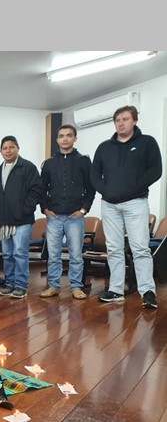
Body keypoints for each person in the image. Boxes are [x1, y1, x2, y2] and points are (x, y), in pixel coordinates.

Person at [91, 105, 162, 309]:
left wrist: (133, 188)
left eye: (125, 119)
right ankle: (116, 290)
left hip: (136, 203)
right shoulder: (104, 147)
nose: (121, 123)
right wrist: (107, 192)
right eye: (117, 120)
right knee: (113, 248)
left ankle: (147, 292)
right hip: (109, 205)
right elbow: (94, 175)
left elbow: (155, 170)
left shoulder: (147, 142)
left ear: (134, 121)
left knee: (140, 248)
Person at [40, 124, 95, 300]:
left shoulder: (84, 161)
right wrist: (45, 209)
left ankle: (76, 287)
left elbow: (91, 188)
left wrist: (83, 210)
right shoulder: (49, 164)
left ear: (75, 138)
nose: (65, 138)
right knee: (53, 255)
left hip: (75, 217)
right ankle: (53, 286)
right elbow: (42, 189)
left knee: (76, 255)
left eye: (69, 135)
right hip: (54, 217)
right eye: (62, 136)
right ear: (57, 140)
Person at [0, 135, 43, 299]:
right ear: (0, 151)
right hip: (4, 221)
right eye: (5, 148)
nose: (8, 150)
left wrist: (26, 209)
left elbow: (36, 190)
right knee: (7, 254)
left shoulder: (28, 167)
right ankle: (9, 283)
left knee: (20, 253)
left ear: (18, 148)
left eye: (11, 147)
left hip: (22, 220)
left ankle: (20, 285)